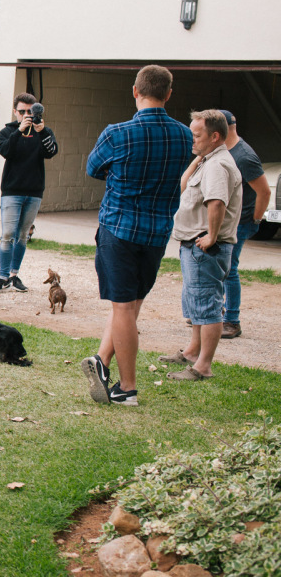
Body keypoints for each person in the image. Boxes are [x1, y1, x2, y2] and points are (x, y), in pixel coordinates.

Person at [82, 65, 192, 407]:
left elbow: (92, 169)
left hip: (119, 227)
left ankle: (127, 388)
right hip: (158, 231)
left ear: (135, 90)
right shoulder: (185, 135)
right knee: (131, 305)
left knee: (124, 307)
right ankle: (101, 360)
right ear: (169, 94)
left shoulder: (117, 133)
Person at [158, 110, 242, 380]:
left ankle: (202, 367)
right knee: (194, 301)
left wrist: (212, 237)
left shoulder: (218, 165)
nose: (191, 139)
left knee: (207, 305)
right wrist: (198, 155)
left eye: (197, 135)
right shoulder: (208, 160)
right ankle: (192, 351)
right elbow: (184, 185)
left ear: (215, 136)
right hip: (193, 245)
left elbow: (216, 202)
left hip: (205, 247)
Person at [0, 92, 58, 293]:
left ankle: (14, 275)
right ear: (15, 112)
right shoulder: (8, 131)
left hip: (34, 191)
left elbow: (51, 152)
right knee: (8, 234)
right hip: (12, 190)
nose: (26, 115)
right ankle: (2, 277)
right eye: (22, 111)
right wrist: (19, 131)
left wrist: (42, 131)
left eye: (30, 111)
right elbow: (5, 151)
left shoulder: (44, 131)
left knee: (22, 235)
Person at [218, 109, 272, 339]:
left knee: (230, 270)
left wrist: (256, 220)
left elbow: (265, 191)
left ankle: (232, 321)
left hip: (241, 222)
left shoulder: (244, 156)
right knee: (220, 268)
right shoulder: (225, 150)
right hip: (227, 220)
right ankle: (214, 314)